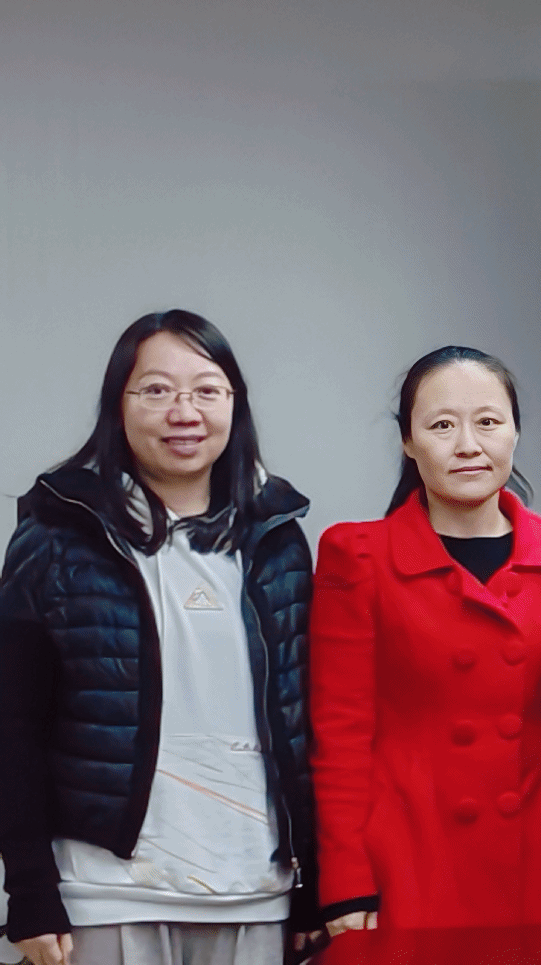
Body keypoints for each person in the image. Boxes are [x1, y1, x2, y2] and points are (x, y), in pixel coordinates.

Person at [0, 311, 318, 965]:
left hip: (255, 892)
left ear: (235, 404)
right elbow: (11, 723)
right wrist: (28, 888)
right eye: (156, 390)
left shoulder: (278, 540)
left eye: (207, 390)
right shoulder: (57, 535)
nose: (184, 412)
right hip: (102, 894)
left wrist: (313, 879)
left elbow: (304, 722)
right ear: (118, 405)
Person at [309, 346, 541, 931]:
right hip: (408, 859)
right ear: (407, 440)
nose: (468, 445)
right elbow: (340, 735)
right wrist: (345, 883)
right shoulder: (359, 556)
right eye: (442, 426)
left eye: (488, 422)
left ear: (516, 431)